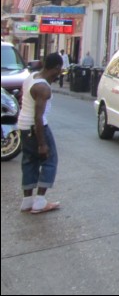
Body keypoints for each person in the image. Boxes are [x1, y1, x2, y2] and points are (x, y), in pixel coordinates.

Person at [18, 52, 63, 213]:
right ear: (57, 68)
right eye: (60, 69)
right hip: (36, 127)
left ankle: (27, 201)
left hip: (23, 126)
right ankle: (40, 202)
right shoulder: (43, 88)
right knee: (50, 161)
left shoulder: (32, 77)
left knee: (29, 161)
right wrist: (42, 143)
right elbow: (38, 117)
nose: (60, 72)